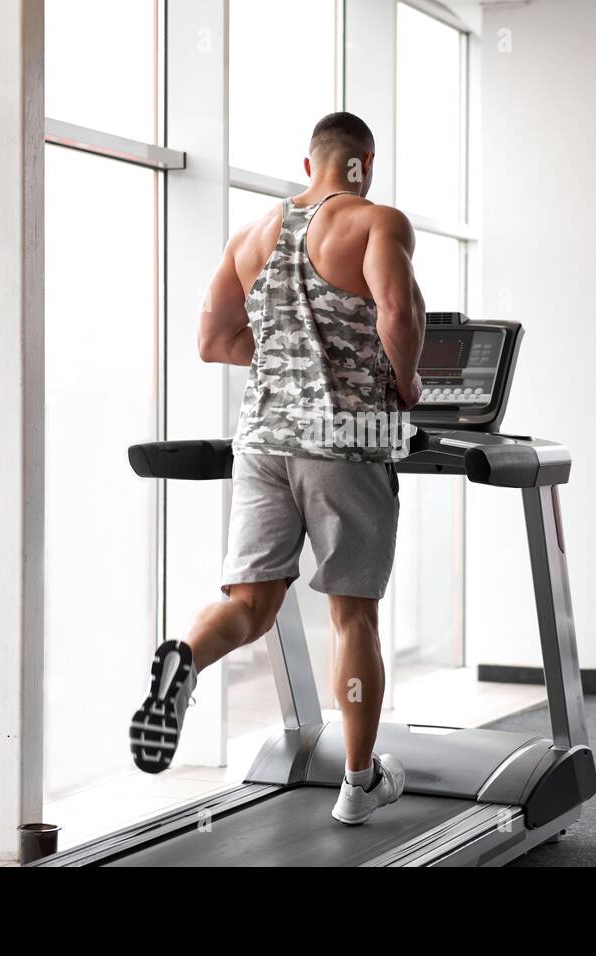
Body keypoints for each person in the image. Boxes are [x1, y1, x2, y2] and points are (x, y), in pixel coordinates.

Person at [130, 111, 426, 825]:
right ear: (366, 162)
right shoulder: (377, 221)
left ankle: (185, 663)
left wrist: (287, 361)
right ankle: (359, 786)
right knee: (353, 616)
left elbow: (213, 340)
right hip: (345, 441)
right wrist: (407, 387)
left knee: (249, 605)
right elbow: (397, 311)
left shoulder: (252, 234)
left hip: (261, 441)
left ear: (308, 165)